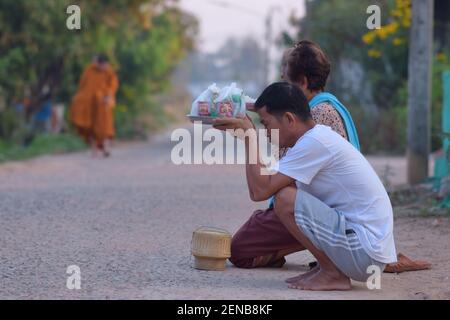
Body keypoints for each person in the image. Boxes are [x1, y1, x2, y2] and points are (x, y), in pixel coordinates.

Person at [213, 82, 397, 290]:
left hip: (365, 254)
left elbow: (260, 191)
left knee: (285, 199)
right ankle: (328, 269)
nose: (266, 132)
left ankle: (332, 273)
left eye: (266, 125)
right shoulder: (313, 139)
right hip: (364, 251)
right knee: (286, 195)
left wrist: (249, 137)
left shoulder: (314, 143)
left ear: (290, 119)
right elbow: (262, 184)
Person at [231, 41, 361, 270]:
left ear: (302, 82)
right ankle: (326, 250)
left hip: (327, 210)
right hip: (327, 206)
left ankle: (330, 254)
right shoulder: (324, 106)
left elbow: (265, 189)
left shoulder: (317, 118)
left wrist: (249, 137)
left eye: (286, 81)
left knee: (241, 250)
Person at [70, 54, 119, 157]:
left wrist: (108, 96)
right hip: (89, 104)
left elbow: (113, 86)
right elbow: (83, 86)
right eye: (101, 64)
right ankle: (94, 151)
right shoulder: (89, 71)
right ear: (98, 63)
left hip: (103, 103)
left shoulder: (109, 72)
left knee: (105, 127)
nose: (103, 67)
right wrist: (79, 97)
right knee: (91, 127)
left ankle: (106, 149)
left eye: (105, 65)